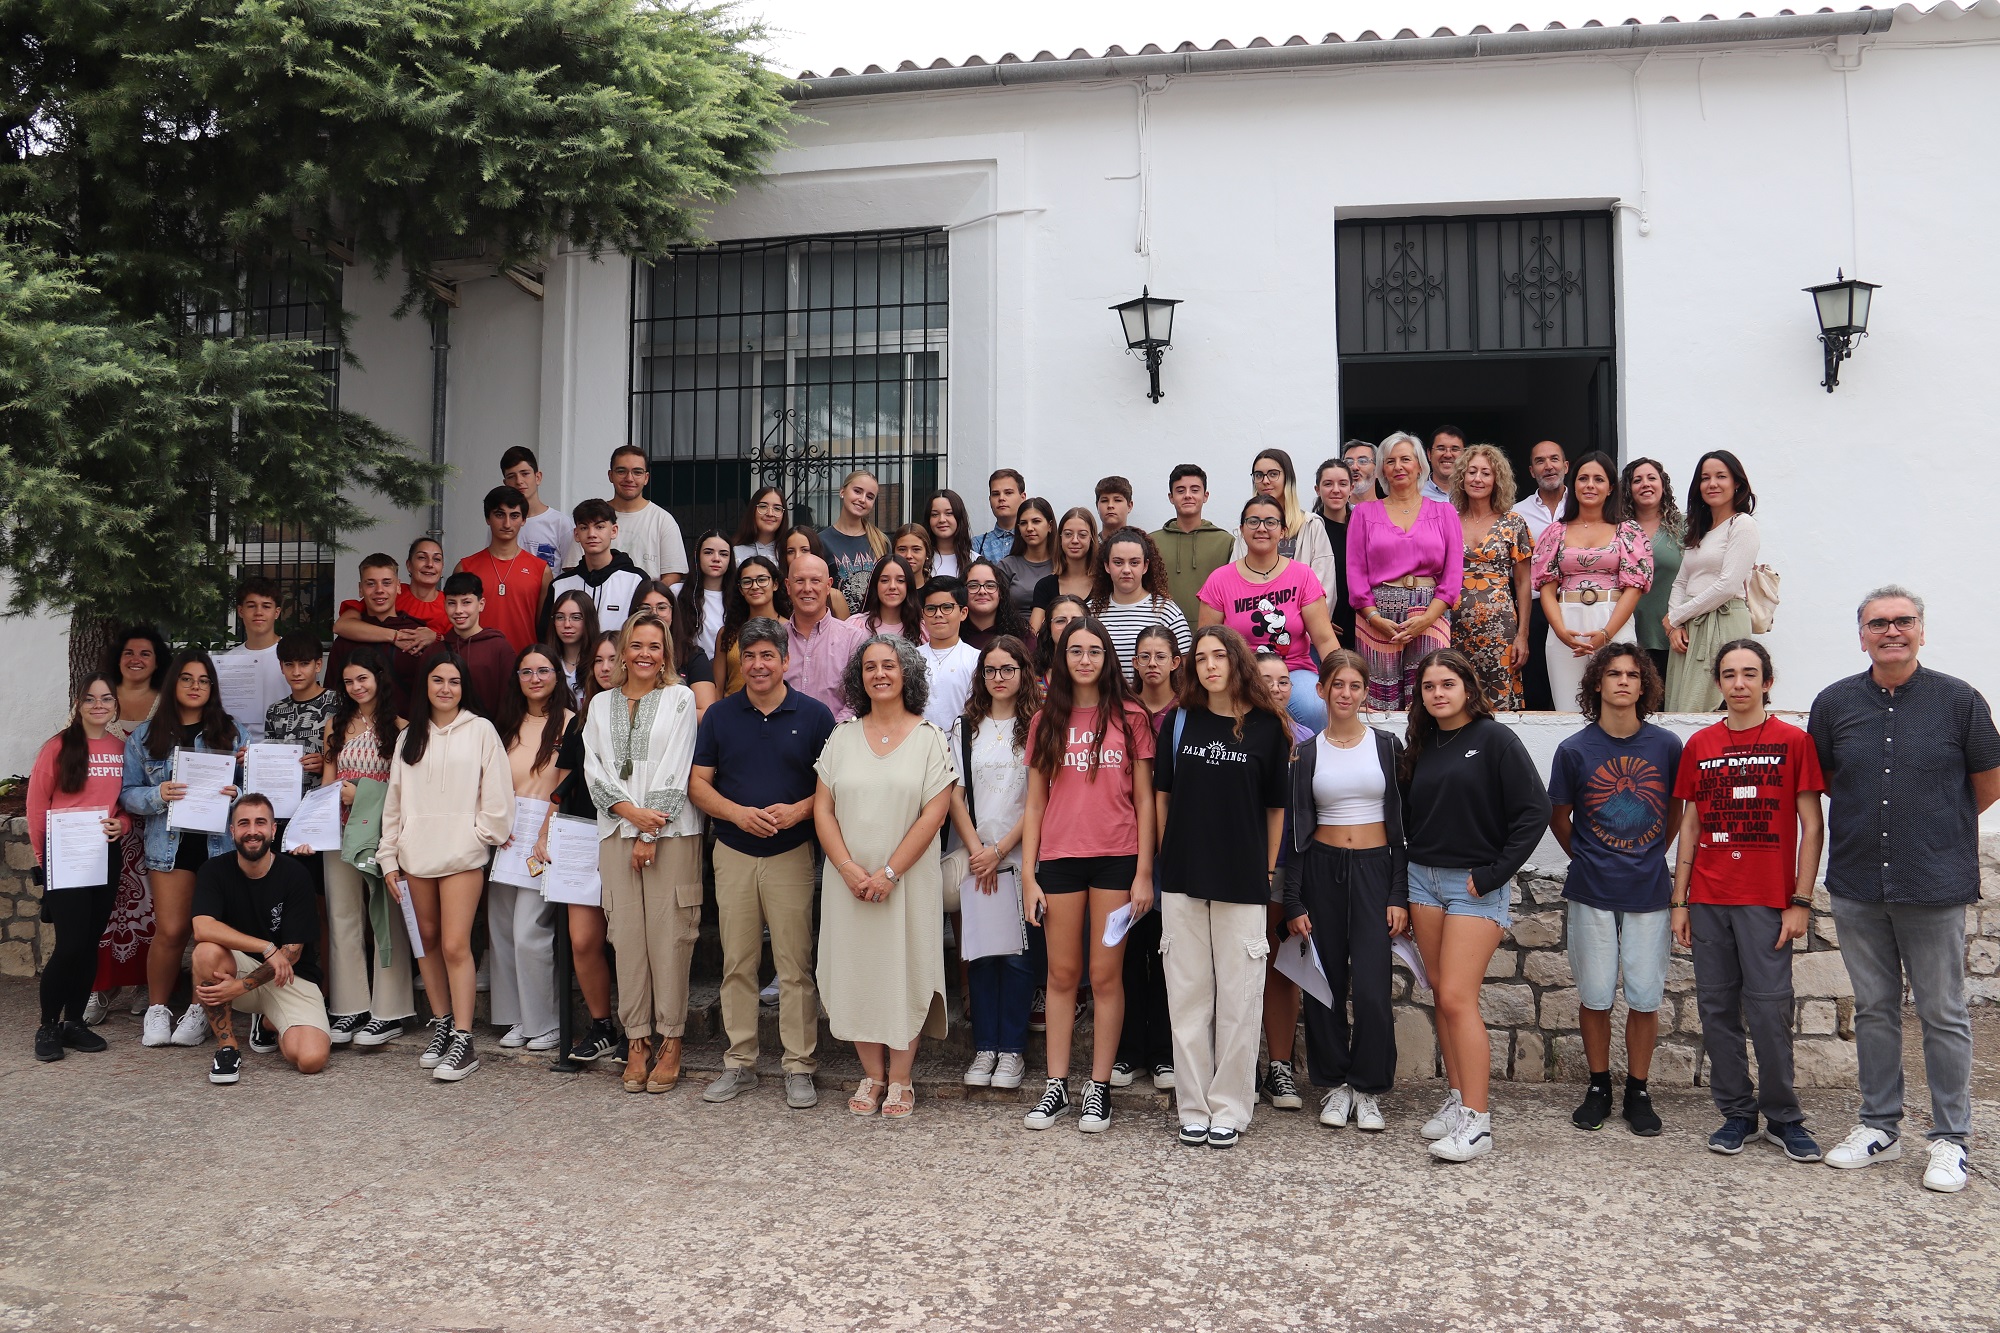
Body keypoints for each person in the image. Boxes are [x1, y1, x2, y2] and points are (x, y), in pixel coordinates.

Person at [1811, 588, 2000, 1193]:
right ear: (1861, 634)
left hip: (1934, 881)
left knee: (1943, 1013)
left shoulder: (1960, 701)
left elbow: (1987, 782)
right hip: (1859, 878)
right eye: (1878, 623)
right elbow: (1831, 780)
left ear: (1921, 630)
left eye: (1903, 621)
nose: (1891, 631)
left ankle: (1951, 1139)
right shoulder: (1834, 702)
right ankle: (1879, 1128)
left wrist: (1935, 829)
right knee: (1874, 1009)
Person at [1671, 640, 1824, 1162]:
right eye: (1729, 674)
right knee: (1716, 1010)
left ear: (1767, 682)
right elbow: (1690, 825)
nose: (1739, 683)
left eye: (1749, 674)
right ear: (1718, 683)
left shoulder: (1793, 742)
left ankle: (1784, 1118)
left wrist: (1800, 900)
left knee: (1768, 1011)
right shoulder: (1700, 745)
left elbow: (1811, 825)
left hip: (1766, 900)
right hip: (1709, 898)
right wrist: (1680, 900)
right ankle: (1737, 1113)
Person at [1403, 649, 1551, 1162]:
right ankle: (1458, 1099)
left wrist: (1492, 873)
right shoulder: (1421, 744)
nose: (1438, 693)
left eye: (1448, 683)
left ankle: (1478, 1123)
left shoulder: (1495, 740)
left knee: (1460, 999)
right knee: (1442, 995)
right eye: (1429, 687)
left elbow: (1536, 812)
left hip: (1474, 886)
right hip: (1422, 882)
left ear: (1467, 687)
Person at [691, 618, 838, 1110]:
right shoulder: (719, 716)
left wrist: (798, 810)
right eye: (749, 656)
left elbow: (831, 786)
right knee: (737, 962)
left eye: (767, 656)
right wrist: (737, 813)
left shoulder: (816, 716)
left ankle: (799, 1066)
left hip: (791, 853)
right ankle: (740, 1063)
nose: (758, 664)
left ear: (785, 661)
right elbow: (698, 784)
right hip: (733, 851)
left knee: (795, 965)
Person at [1154, 626, 1291, 1149]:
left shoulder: (1267, 728)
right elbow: (1162, 796)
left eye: (1219, 656)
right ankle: (1193, 1106)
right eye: (1201, 658)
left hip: (1243, 878)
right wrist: (1171, 853)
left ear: (1237, 662)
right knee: (1187, 996)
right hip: (1184, 877)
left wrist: (1268, 870)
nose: (1210, 665)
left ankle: (1230, 1107)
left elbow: (1276, 810)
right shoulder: (1180, 721)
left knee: (1239, 997)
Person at [1020, 617, 1156, 1135]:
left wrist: (1144, 873)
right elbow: (1034, 804)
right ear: (1062, 658)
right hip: (1058, 860)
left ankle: (1097, 1088)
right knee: (1060, 975)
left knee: (1105, 976)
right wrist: (1030, 877)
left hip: (1117, 858)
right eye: (1075, 650)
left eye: (1094, 651)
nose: (1084, 659)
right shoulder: (1044, 720)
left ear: (1107, 658)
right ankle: (1056, 1085)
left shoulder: (1131, 715)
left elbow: (1145, 799)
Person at [813, 635, 957, 1120]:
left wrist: (890, 872)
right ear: (860, 678)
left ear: (907, 675)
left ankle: (901, 1079)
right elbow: (822, 809)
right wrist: (850, 869)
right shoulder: (841, 737)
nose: (879, 674)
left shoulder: (930, 738)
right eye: (870, 667)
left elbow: (934, 815)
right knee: (856, 971)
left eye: (889, 666)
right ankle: (871, 1075)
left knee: (903, 969)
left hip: (905, 881)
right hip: (847, 882)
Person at [1548, 645, 1683, 1136]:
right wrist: (1586, 855)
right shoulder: (1575, 751)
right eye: (1613, 674)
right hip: (1591, 889)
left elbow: (1674, 813)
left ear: (1644, 685)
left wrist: (1649, 853)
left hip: (1648, 890)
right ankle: (1599, 1084)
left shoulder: (1667, 747)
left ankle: (1638, 1091)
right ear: (1597, 685)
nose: (1623, 682)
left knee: (1646, 996)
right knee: (1596, 994)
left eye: (1632, 675)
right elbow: (1559, 817)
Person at [1283, 650, 1406, 1133]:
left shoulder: (1387, 747)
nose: (1346, 693)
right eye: (1338, 685)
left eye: (1355, 685)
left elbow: (1402, 829)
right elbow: (1297, 832)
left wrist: (1398, 892)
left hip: (1376, 871)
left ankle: (1369, 1088)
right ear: (1322, 690)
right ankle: (1336, 1084)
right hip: (1323, 870)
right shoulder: (1307, 753)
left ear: (1365, 691)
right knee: (1324, 984)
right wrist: (1293, 899)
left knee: (1374, 989)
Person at [582, 613, 704, 1093]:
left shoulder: (680, 698)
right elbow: (594, 769)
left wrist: (648, 832)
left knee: (670, 937)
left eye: (655, 646)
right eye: (636, 645)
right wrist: (629, 817)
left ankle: (671, 1039)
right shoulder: (599, 705)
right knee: (627, 937)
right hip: (616, 830)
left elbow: (677, 765)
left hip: (670, 834)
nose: (645, 655)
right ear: (623, 650)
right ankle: (636, 1039)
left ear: (666, 652)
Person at [377, 652, 512, 1082]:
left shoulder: (481, 731)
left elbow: (497, 795)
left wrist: (480, 835)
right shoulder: (408, 737)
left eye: (454, 681)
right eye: (438, 680)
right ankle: (442, 1023)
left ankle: (465, 1038)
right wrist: (389, 857)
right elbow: (395, 800)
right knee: (428, 941)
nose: (446, 689)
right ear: (426, 685)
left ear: (463, 686)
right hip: (415, 855)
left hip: (461, 856)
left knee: (455, 944)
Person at [122, 650, 244, 1049]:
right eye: (187, 678)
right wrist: (157, 794)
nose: (196, 687)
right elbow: (127, 795)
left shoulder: (231, 731)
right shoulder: (145, 736)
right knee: (172, 930)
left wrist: (236, 792)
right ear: (173, 683)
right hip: (169, 848)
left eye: (204, 680)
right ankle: (158, 1009)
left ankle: (199, 1009)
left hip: (218, 849)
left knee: (208, 934)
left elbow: (252, 790)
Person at [949, 635, 1040, 1092]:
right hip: (976, 858)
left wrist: (1001, 850)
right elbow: (955, 795)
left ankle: (1012, 1051)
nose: (999, 678)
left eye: (1008, 669)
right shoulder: (966, 726)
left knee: (1019, 958)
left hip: (1020, 856)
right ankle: (986, 1047)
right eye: (990, 670)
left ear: (1023, 673)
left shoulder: (1039, 725)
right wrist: (977, 851)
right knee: (982, 956)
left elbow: (1039, 800)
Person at [189, 796, 332, 1084]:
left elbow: (291, 954)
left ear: (273, 830)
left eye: (260, 823)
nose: (252, 830)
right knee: (205, 953)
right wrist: (265, 948)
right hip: (241, 968)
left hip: (288, 977)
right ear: (232, 831)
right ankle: (227, 1049)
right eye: (244, 823)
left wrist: (239, 987)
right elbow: (202, 928)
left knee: (310, 1060)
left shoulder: (295, 874)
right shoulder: (213, 870)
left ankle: (269, 1021)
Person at [27, 674, 129, 1062]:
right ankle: (48, 1024)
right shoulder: (57, 747)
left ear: (115, 704)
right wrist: (43, 863)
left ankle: (74, 1022)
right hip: (64, 855)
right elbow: (37, 807)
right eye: (90, 698)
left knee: (90, 943)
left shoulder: (121, 748)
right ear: (78, 703)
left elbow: (124, 806)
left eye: (106, 698)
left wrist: (124, 825)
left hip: (103, 854)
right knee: (69, 944)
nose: (98, 705)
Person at [318, 647, 416, 1049]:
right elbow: (327, 782)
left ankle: (389, 1011)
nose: (356, 687)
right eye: (348, 681)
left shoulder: (401, 727)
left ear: (380, 677)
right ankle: (349, 1006)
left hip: (381, 834)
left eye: (363, 678)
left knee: (385, 917)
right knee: (342, 918)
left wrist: (360, 792)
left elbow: (406, 789)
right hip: (338, 832)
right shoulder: (334, 725)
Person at [489, 645, 573, 1053]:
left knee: (529, 931)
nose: (535, 678)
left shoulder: (571, 724)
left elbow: (567, 785)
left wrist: (546, 833)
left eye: (543, 670)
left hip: (544, 836)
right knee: (502, 929)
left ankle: (547, 1021)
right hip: (506, 835)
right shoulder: (504, 724)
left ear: (557, 675)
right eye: (526, 672)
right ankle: (518, 1016)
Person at [1199, 495, 1340, 732]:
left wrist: (1341, 677)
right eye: (1253, 521)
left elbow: (1324, 639)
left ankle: (1308, 766)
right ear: (1242, 529)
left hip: (1293, 672)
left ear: (1283, 531)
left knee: (1317, 708)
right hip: (1240, 674)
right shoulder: (1219, 580)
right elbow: (1206, 643)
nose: (1261, 528)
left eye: (1271, 522)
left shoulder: (1302, 576)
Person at [87, 626, 170, 1023]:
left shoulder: (166, 705)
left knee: (149, 906)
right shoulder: (99, 700)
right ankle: (100, 986)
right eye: (129, 652)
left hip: (152, 823)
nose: (136, 659)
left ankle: (143, 984)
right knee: (104, 906)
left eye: (146, 653)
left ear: (158, 662)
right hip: (104, 824)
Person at [549, 634, 625, 1065]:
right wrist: (546, 830)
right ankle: (602, 1027)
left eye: (614, 658)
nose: (605, 667)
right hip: (579, 834)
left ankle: (638, 1028)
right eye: (598, 660)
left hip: (623, 830)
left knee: (629, 939)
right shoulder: (578, 720)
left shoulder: (641, 714)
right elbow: (557, 782)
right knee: (582, 940)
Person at [1347, 434, 1463, 712]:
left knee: (1430, 698)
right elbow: (1355, 572)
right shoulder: (1364, 513)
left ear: (1420, 466)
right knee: (1378, 703)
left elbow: (1453, 575)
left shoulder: (1444, 512)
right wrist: (1373, 617)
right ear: (1382, 470)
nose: (1398, 466)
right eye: (1390, 461)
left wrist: (1428, 619)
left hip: (1430, 612)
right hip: (1377, 615)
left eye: (1405, 459)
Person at [1533, 451, 1653, 713]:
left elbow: (1633, 589)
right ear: (1573, 484)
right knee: (1569, 709)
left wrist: (1607, 634)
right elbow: (1546, 587)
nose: (1590, 485)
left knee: (1617, 706)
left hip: (1613, 619)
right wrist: (1561, 632)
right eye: (1583, 478)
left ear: (1610, 487)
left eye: (1598, 479)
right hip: (1566, 623)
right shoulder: (1555, 531)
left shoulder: (1628, 530)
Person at [1254, 649, 1311, 1111]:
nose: (1276, 687)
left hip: (1287, 870)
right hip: (1239, 865)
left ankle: (1279, 1067)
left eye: (1284, 680)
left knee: (1279, 967)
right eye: (1265, 678)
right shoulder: (1235, 731)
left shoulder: (1308, 741)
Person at [1665, 450, 1760, 713]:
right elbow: (1680, 582)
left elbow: (1728, 585)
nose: (1712, 484)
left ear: (1737, 483)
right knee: (1681, 706)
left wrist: (1676, 617)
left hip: (1722, 620)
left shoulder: (1742, 525)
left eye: (1721, 476)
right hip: (1690, 625)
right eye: (1705, 478)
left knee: (1709, 704)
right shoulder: (1701, 531)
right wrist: (1675, 626)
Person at [1449, 444, 1534, 712]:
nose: (1477, 478)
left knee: (1498, 702)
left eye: (1486, 473)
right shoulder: (1448, 519)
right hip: (1453, 624)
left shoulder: (1513, 522)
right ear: (1461, 477)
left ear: (1497, 479)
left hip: (1500, 629)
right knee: (1456, 695)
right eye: (1471, 471)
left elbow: (1523, 582)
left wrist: (1523, 635)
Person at [563, 444, 687, 587]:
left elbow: (673, 574)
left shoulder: (663, 520)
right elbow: (572, 569)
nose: (629, 478)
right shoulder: (591, 517)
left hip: (645, 606)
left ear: (646, 478)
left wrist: (647, 598)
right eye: (621, 471)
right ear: (610, 475)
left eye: (637, 472)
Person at [1227, 448, 1339, 599]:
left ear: (1288, 478)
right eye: (1259, 475)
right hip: (1253, 617)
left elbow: (1325, 587)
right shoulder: (1246, 530)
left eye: (1273, 474)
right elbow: (1234, 583)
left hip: (1303, 619)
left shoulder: (1310, 525)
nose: (1265, 481)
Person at [329, 555, 430, 718]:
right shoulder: (345, 641)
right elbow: (334, 695)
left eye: (387, 583)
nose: (379, 590)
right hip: (357, 736)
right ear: (360, 589)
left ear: (398, 587)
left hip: (408, 733)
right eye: (370, 584)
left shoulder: (416, 635)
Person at [456, 486, 553, 656]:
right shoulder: (466, 567)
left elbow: (543, 627)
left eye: (514, 516)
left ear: (523, 520)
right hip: (475, 662)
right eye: (499, 515)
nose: (507, 524)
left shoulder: (541, 570)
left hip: (525, 666)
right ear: (488, 518)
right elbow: (456, 621)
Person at [1511, 438, 1569, 710]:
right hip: (1535, 611)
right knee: (1536, 686)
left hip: (1575, 604)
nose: (1549, 466)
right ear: (1531, 471)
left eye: (1554, 459)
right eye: (1540, 461)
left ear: (1566, 466)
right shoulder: (1516, 513)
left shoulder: (1584, 505)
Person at [781, 553, 870, 721]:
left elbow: (857, 700)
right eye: (799, 581)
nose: (807, 588)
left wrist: (831, 733)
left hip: (836, 739)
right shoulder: (776, 639)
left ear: (828, 585)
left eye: (815, 581)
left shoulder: (853, 639)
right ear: (788, 586)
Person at [1088, 528, 1191, 663]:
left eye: (1134, 563)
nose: (1126, 570)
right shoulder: (1091, 612)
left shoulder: (1167, 612)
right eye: (1118, 562)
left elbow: (1184, 669)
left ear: (1145, 566)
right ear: (1107, 566)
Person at [333, 538, 449, 656]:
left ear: (442, 567)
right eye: (422, 557)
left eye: (437, 559)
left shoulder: (450, 603)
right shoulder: (390, 593)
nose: (429, 564)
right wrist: (395, 636)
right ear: (409, 565)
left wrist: (437, 637)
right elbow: (342, 626)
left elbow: (462, 643)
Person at [1623, 459, 1684, 682]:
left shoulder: (1684, 527)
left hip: (1675, 634)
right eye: (1637, 480)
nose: (1645, 484)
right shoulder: (1618, 529)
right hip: (1628, 633)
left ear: (1663, 485)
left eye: (1651, 478)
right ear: (1628, 489)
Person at [1154, 464, 1235, 631]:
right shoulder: (1151, 542)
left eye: (1195, 490)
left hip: (1213, 634)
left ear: (1205, 496)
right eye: (1180, 490)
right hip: (1161, 634)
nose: (1188, 495)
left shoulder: (1225, 542)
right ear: (1171, 497)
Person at [551, 498, 649, 634]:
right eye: (584, 527)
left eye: (599, 527)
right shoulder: (560, 585)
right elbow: (548, 636)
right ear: (576, 534)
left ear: (613, 531)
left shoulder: (637, 580)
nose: (591, 534)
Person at [632, 580, 718, 720]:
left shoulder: (693, 655)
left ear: (673, 612)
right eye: (645, 608)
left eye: (662, 607)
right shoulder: (624, 653)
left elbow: (706, 712)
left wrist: (656, 715)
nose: (654, 614)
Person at [439, 571, 518, 717]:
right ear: (444, 605)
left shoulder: (499, 649)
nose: (458, 610)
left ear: (481, 604)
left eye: (466, 602)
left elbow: (511, 702)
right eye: (451, 603)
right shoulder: (436, 651)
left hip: (489, 734)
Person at [222, 576, 288, 744]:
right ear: (240, 611)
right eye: (251, 606)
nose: (258, 612)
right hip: (239, 752)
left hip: (285, 751)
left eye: (266, 606)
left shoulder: (294, 655)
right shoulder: (227, 662)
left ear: (277, 612)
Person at [715, 555, 790, 694]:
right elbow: (718, 688)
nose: (755, 586)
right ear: (740, 589)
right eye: (747, 581)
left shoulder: (790, 629)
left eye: (762, 580)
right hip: (733, 712)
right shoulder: (728, 633)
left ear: (775, 584)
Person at [916, 578, 982, 731]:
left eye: (947, 607)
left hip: (961, 747)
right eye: (931, 608)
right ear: (923, 614)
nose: (938, 614)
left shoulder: (976, 659)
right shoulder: (912, 658)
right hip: (918, 745)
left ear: (963, 612)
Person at [820, 469, 890, 611]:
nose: (862, 499)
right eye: (857, 491)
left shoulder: (881, 541)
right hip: (838, 626)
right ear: (842, 492)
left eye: (870, 497)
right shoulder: (821, 541)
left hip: (875, 626)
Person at [1309, 458, 1357, 647]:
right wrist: (1320, 621)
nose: (1336, 490)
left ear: (1351, 488)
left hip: (1362, 624)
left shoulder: (1363, 527)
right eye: (1328, 484)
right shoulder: (1310, 530)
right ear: (1317, 490)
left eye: (1343, 484)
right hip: (1324, 628)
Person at [1030, 507, 1098, 635]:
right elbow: (1034, 634)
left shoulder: (1104, 584)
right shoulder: (1044, 586)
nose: (1075, 540)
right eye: (1068, 534)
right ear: (1060, 538)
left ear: (1092, 538)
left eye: (1082, 535)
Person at [501, 446, 570, 570]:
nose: (519, 481)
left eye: (525, 474)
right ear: (505, 483)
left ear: (538, 477)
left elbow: (571, 573)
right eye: (511, 476)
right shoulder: (501, 523)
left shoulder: (560, 523)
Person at [996, 496, 1057, 622]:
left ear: (1050, 525)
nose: (1029, 528)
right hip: (1014, 634)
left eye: (1036, 521)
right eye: (1023, 523)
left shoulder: (1061, 565)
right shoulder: (1007, 566)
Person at [676, 531, 733, 662]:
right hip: (686, 667)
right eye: (708, 552)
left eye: (723, 554)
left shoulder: (738, 598)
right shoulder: (677, 592)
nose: (716, 558)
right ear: (697, 556)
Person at [962, 556, 1034, 655]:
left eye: (990, 586)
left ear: (1001, 593)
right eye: (973, 586)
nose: (982, 591)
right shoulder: (951, 634)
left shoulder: (1023, 636)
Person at [781, 525, 853, 620]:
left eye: (804, 550)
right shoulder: (778, 595)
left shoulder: (834, 597)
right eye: (790, 551)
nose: (797, 556)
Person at [860, 552, 923, 643]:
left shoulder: (923, 629)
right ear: (875, 585)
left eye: (900, 580)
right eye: (885, 580)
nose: (892, 586)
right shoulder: (857, 625)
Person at [547, 589, 601, 695]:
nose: (567, 624)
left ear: (589, 620)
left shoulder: (600, 662)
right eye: (560, 617)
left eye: (576, 617)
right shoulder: (545, 662)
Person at [976, 468, 1026, 562]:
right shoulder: (977, 545)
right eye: (995, 494)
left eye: (1008, 493)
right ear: (990, 499)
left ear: (1023, 497)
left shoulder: (1033, 539)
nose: (1001, 498)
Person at [925, 490, 975, 578]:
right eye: (935, 514)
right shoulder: (920, 560)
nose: (942, 520)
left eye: (949, 513)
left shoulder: (974, 560)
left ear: (959, 517)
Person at [732, 486, 788, 565]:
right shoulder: (733, 552)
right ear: (753, 510)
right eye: (763, 506)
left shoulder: (789, 553)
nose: (770, 514)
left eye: (777, 508)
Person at [1423, 425, 1467, 504]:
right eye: (1441, 448)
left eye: (1455, 449)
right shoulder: (1415, 495)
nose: (1448, 455)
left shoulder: (1473, 494)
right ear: (1429, 454)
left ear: (1465, 455)